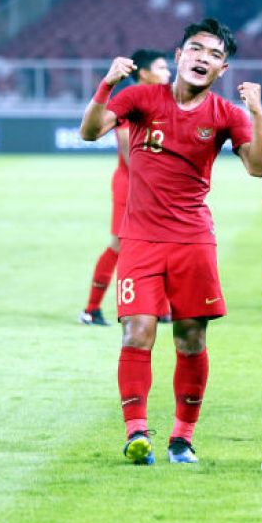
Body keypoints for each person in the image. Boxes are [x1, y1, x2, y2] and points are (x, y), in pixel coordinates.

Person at [79, 18, 262, 465]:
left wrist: (258, 114)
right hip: (142, 238)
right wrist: (106, 84)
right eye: (196, 49)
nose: (204, 58)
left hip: (193, 240)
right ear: (179, 56)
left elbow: (258, 168)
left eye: (215, 55)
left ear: (222, 70)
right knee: (137, 331)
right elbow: (89, 132)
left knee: (189, 339)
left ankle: (182, 438)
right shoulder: (141, 96)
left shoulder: (227, 115)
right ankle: (136, 432)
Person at [79, 49, 170, 326]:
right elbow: (129, 149)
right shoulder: (131, 101)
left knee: (163, 244)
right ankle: (91, 310)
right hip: (132, 185)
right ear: (144, 73)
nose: (168, 73)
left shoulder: (165, 101)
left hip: (158, 187)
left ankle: (161, 308)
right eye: (162, 68)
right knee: (120, 245)